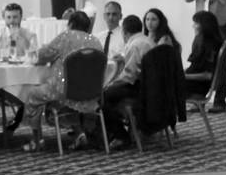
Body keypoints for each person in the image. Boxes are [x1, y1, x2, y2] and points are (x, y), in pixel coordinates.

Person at [20, 11, 103, 152]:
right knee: (59, 101)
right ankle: (79, 132)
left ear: (70, 24)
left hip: (62, 90)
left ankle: (37, 139)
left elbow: (42, 56)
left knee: (32, 94)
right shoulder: (96, 42)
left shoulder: (65, 38)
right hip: (90, 92)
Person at [103, 15, 156, 149]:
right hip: (152, 87)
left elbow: (129, 76)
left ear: (124, 32)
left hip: (138, 88)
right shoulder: (148, 41)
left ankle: (120, 136)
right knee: (109, 92)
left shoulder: (134, 45)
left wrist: (111, 84)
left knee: (102, 97)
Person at [184, 10, 223, 96]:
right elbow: (195, 68)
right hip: (192, 81)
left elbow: (208, 75)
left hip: (198, 85)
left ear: (205, 25)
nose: (193, 26)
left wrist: (184, 76)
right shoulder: (200, 41)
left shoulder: (210, 46)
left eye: (196, 23)